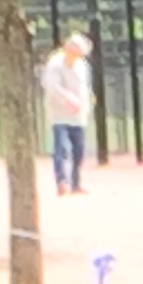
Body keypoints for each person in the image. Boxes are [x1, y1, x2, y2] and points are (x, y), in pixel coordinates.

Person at [42, 33, 92, 196]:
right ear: (67, 49)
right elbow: (52, 86)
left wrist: (84, 103)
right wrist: (68, 99)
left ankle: (76, 183)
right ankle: (62, 182)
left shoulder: (82, 66)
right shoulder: (55, 64)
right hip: (59, 115)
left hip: (78, 116)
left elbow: (84, 87)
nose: (77, 57)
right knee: (62, 149)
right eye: (75, 52)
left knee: (79, 151)